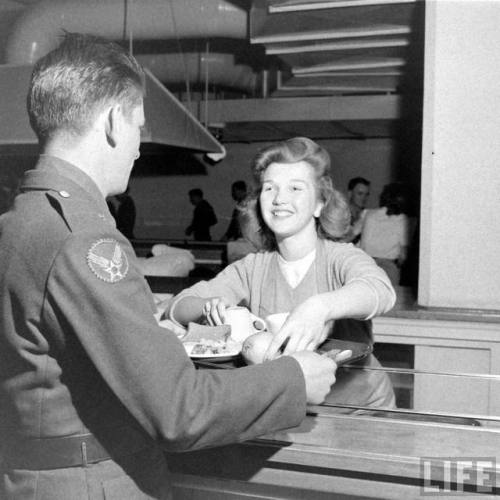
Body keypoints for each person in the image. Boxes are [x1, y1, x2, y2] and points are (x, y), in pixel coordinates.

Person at [0, 34, 340, 500]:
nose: (138, 148)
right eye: (139, 127)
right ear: (115, 121)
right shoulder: (85, 238)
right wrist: (295, 379)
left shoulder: (18, 221)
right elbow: (179, 411)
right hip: (89, 481)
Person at [168, 137, 397, 413]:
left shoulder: (340, 257)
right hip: (294, 411)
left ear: (319, 204)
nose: (279, 198)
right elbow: (179, 306)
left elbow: (380, 290)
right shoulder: (252, 267)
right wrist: (207, 306)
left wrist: (319, 307)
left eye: (295, 187)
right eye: (270, 188)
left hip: (361, 411)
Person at [359, 182, 413, 286]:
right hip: (389, 267)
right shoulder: (404, 221)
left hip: (366, 264)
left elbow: (351, 234)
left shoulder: (368, 214)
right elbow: (403, 255)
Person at [346, 176, 370, 243]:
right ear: (350, 194)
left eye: (367, 194)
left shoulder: (368, 216)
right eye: (360, 194)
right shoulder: (341, 216)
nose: (364, 198)